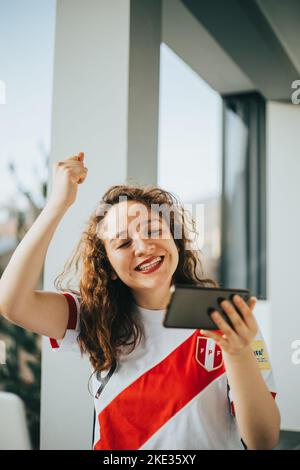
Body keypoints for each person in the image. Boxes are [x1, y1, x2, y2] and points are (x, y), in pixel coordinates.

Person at [0, 152, 280, 450]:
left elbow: (263, 441)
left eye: (154, 230)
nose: (144, 246)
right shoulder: (93, 315)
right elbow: (12, 302)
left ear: (175, 239)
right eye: (123, 243)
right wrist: (58, 203)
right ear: (108, 267)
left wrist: (237, 353)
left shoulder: (227, 318)